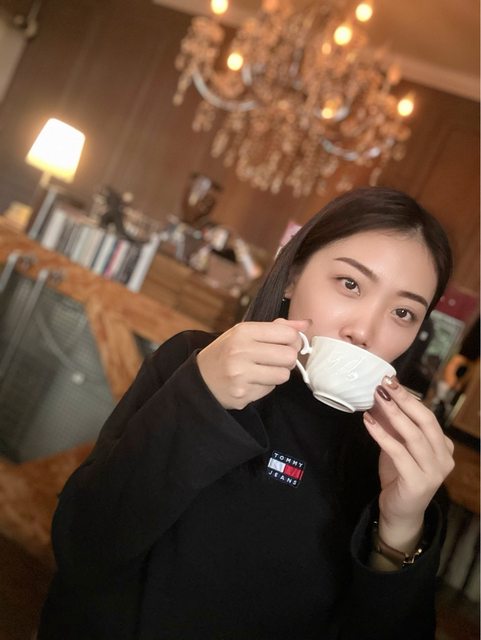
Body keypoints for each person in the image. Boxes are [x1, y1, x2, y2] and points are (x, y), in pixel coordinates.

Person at [38, 186, 455, 640]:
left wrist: (401, 525)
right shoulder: (192, 361)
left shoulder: (395, 458)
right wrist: (199, 398)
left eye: (403, 312)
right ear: (292, 276)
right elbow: (82, 545)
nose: (364, 331)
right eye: (350, 284)